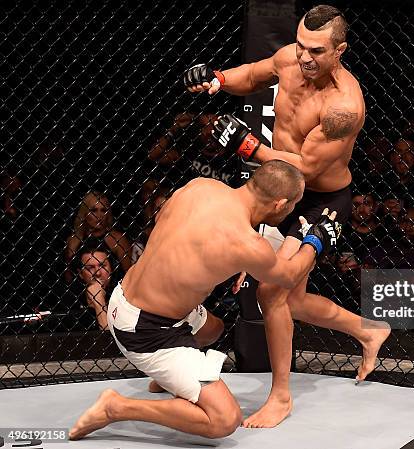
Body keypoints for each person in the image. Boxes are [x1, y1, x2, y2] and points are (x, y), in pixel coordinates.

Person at [184, 4, 390, 428]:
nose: (304, 57)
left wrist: (247, 147)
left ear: (340, 51)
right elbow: (255, 73)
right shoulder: (292, 60)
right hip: (282, 193)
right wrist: (218, 80)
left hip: (320, 200)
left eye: (316, 50)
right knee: (288, 298)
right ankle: (369, 331)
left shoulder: (344, 107)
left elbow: (305, 169)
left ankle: (281, 396)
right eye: (300, 46)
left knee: (273, 294)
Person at [69, 161, 341, 440]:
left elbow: (183, 237)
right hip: (146, 331)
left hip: (125, 295)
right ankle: (116, 407)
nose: (292, 211)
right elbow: (289, 275)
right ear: (280, 204)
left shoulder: (200, 186)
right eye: (294, 205)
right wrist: (317, 239)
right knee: (224, 420)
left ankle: (168, 377)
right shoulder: (247, 244)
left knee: (213, 329)